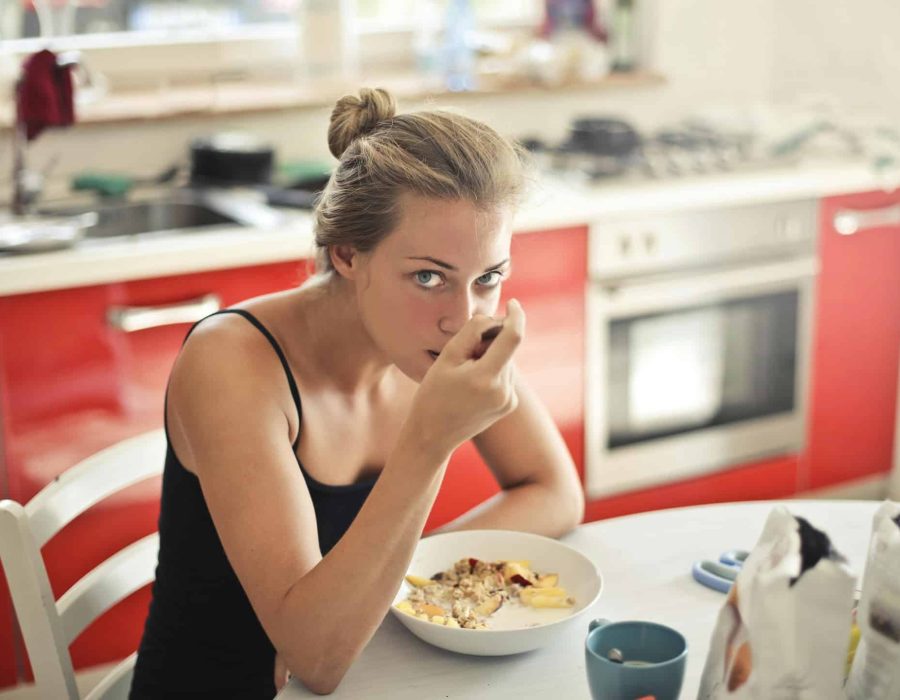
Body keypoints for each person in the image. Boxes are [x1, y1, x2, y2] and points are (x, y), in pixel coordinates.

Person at [129, 87, 584, 699]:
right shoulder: (233, 364)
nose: (463, 317)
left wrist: (382, 584)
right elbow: (315, 657)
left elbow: (555, 492)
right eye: (428, 277)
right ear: (347, 254)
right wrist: (430, 441)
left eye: (489, 278)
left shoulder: (447, 333)